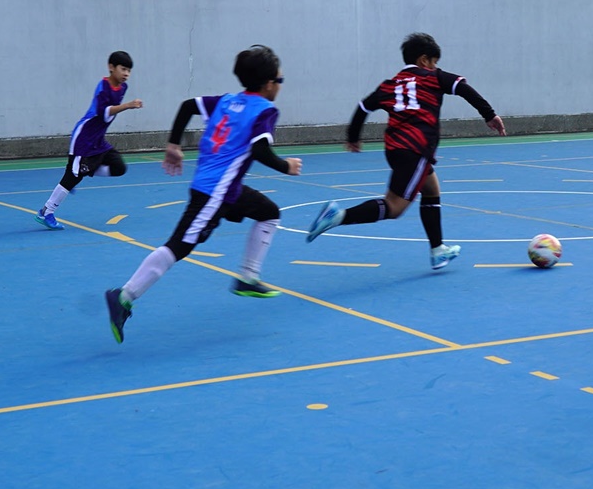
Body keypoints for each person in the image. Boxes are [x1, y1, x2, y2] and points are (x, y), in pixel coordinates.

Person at [104, 45, 302, 343]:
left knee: (269, 213)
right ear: (268, 84)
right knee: (178, 246)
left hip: (224, 188)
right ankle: (124, 296)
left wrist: (173, 144)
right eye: (281, 81)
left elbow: (187, 106)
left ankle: (248, 277)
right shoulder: (265, 110)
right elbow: (261, 150)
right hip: (214, 193)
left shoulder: (227, 101)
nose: (281, 86)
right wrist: (286, 166)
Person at [306, 32, 506, 269]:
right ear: (424, 60)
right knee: (394, 207)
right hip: (416, 148)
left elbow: (363, 107)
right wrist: (489, 115)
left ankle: (438, 250)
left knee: (431, 188)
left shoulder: (390, 84)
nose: (435, 67)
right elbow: (464, 88)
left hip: (395, 148)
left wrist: (353, 137)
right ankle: (339, 216)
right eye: (434, 62)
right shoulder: (434, 78)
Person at [35, 51, 143, 230]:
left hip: (98, 139)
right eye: (123, 69)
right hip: (84, 138)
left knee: (119, 167)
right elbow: (104, 113)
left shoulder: (123, 88)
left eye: (129, 71)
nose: (126, 74)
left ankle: (83, 171)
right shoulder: (103, 87)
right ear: (111, 67)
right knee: (72, 177)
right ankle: (46, 212)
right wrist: (127, 106)